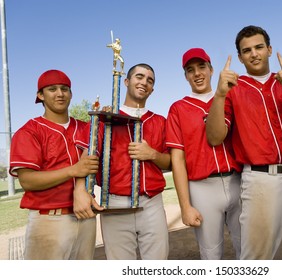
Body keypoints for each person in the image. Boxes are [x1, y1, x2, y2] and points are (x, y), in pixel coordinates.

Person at [206, 25, 282, 260]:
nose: (254, 54)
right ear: (241, 57)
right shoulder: (233, 89)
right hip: (261, 180)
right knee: (255, 260)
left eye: (259, 47)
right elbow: (214, 137)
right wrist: (220, 94)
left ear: (269, 49)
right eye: (247, 50)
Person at [76, 63, 171, 260]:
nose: (144, 82)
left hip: (151, 203)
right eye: (139, 77)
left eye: (149, 80)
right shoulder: (105, 118)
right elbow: (86, 159)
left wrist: (152, 154)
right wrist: (82, 190)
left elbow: (171, 163)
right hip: (114, 204)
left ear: (152, 89)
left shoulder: (160, 121)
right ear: (126, 81)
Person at [9, 69, 101, 260]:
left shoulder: (86, 127)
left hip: (86, 216)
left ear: (71, 93)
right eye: (52, 89)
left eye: (65, 89)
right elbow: (27, 181)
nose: (60, 94)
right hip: (49, 220)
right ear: (40, 95)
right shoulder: (29, 131)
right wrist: (73, 171)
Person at [166, 48, 242, 259]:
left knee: (248, 248)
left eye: (201, 67)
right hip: (202, 187)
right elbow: (177, 161)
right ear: (186, 76)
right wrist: (185, 206)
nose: (197, 73)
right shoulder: (178, 108)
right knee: (210, 253)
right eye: (190, 70)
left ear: (211, 69)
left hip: (238, 180)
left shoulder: (230, 97)